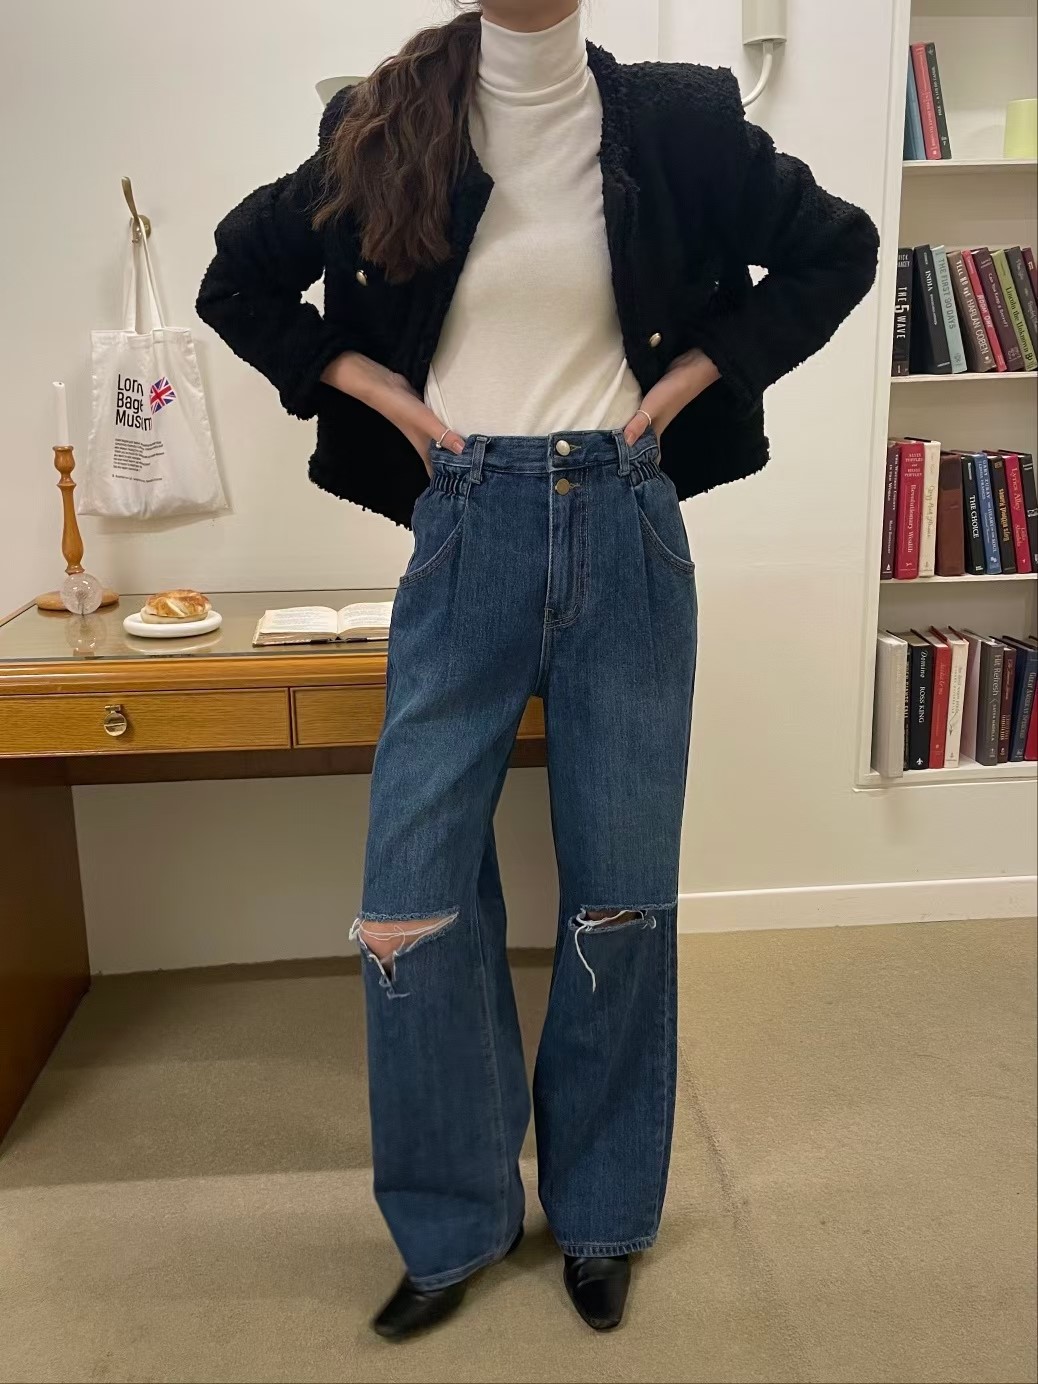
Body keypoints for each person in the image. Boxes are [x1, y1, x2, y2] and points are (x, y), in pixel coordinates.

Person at [198, 0, 878, 1340]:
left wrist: (701, 373)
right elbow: (237, 279)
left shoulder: (677, 121)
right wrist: (376, 391)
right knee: (411, 899)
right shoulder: (379, 123)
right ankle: (452, 1223)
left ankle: (603, 1215)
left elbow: (837, 248)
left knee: (619, 892)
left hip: (624, 521)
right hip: (464, 525)